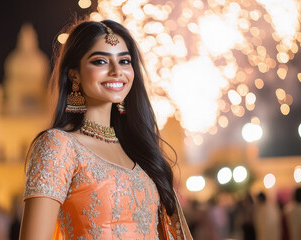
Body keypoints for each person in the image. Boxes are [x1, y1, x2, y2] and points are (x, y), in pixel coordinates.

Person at [19, 19, 193, 239]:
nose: (116, 71)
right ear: (74, 74)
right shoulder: (58, 145)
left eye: (124, 61)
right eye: (100, 61)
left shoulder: (141, 150)